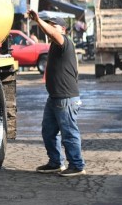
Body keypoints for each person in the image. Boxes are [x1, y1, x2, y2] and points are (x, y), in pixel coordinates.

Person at [28, 10, 86, 177]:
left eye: (54, 26)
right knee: (48, 131)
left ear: (63, 29)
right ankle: (55, 163)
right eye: (50, 25)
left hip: (66, 98)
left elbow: (52, 32)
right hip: (54, 98)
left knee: (69, 133)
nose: (50, 29)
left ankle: (76, 165)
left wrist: (38, 20)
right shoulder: (54, 45)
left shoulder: (64, 42)